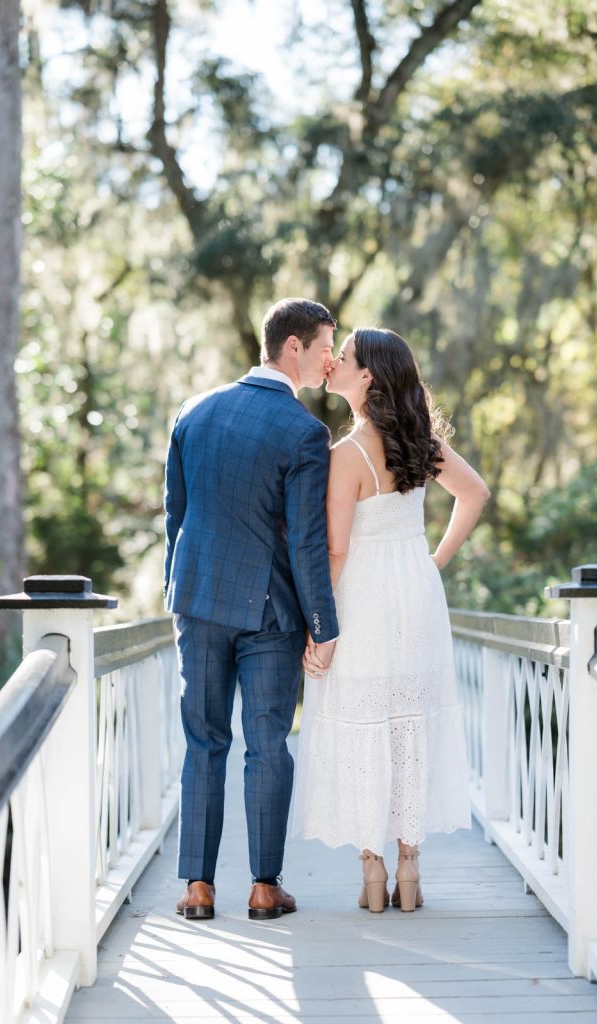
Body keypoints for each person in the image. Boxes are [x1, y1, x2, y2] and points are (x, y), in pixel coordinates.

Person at [293, 326, 490, 913]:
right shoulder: (421, 441)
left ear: (368, 375)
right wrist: (433, 560)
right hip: (416, 592)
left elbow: (335, 551)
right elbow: (474, 494)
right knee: (409, 723)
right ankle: (410, 866)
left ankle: (372, 873)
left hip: (364, 597)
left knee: (362, 721)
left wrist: (318, 631)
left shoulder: (345, 456)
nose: (332, 364)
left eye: (343, 358)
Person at [164, 298, 339, 921]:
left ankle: (197, 887)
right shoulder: (304, 432)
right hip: (269, 610)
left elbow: (176, 518)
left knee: (203, 740)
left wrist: (175, 590)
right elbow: (308, 540)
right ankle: (265, 888)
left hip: (199, 602)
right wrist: (323, 625)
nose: (331, 360)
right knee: (267, 743)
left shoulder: (194, 411)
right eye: (325, 348)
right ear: (292, 347)